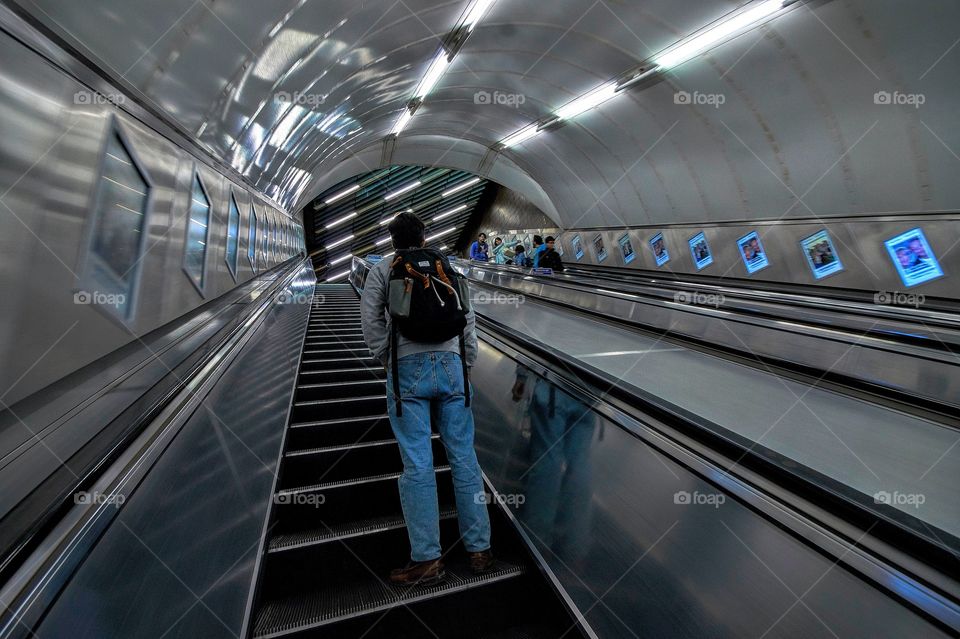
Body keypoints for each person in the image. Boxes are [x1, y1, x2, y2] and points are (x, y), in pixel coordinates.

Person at [360, 212, 493, 585]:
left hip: (408, 367)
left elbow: (370, 318)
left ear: (391, 239)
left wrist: (387, 359)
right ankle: (479, 550)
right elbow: (468, 317)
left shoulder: (385, 268)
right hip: (452, 367)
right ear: (424, 236)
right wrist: (465, 361)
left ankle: (428, 559)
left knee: (418, 463)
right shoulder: (445, 264)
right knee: (464, 458)